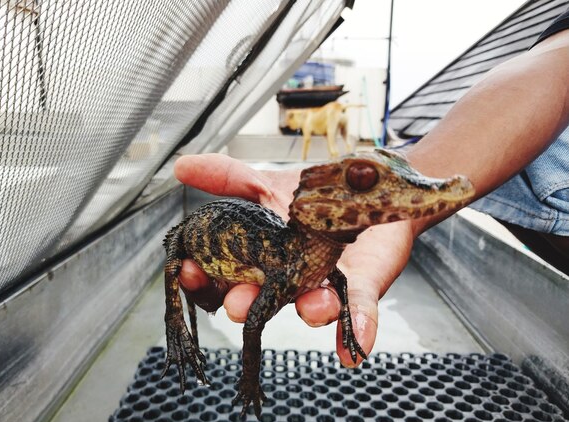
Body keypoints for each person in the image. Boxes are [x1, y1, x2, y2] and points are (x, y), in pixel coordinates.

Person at [172, 15, 569, 367]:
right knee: (185, 280)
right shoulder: (293, 253)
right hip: (214, 241)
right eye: (364, 179)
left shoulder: (320, 255)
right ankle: (181, 336)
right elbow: (558, 61)